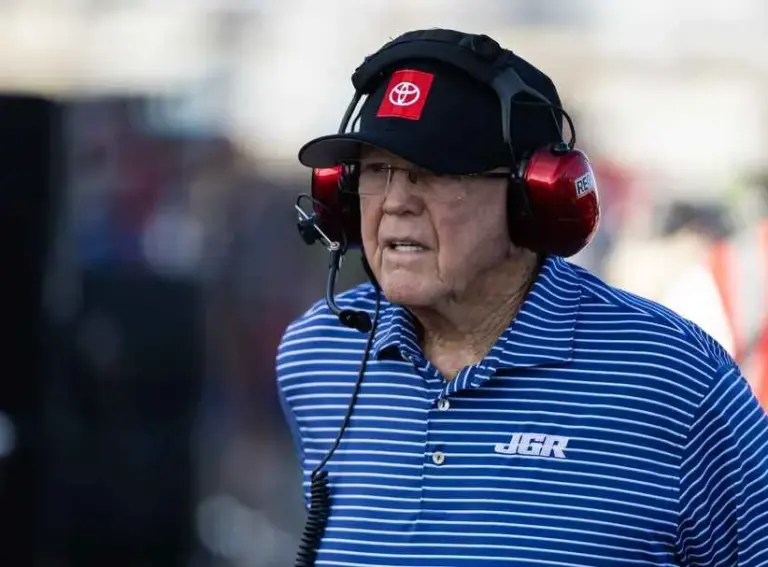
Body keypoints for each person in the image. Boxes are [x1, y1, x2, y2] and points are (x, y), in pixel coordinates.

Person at [275, 28, 768, 567]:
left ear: (530, 195)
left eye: (431, 173)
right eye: (375, 171)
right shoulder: (318, 354)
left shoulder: (675, 379)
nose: (395, 203)